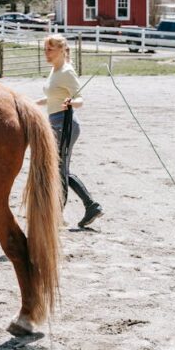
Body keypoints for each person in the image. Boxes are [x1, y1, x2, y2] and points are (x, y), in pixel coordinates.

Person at [36, 35, 103, 228]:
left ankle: (58, 215)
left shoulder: (66, 72)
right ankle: (91, 206)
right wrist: (31, 104)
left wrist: (72, 102)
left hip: (65, 124)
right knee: (60, 169)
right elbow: (51, 97)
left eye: (49, 49)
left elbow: (80, 99)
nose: (46, 53)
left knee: (59, 170)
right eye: (45, 49)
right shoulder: (54, 71)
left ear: (61, 50)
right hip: (54, 122)